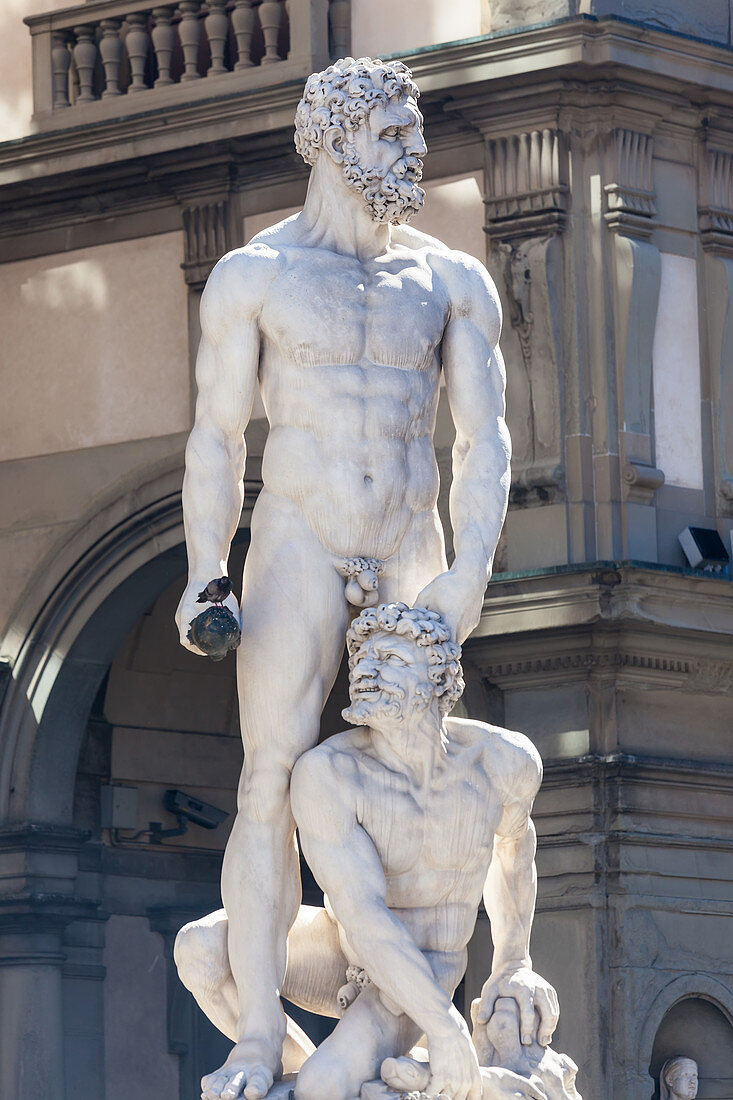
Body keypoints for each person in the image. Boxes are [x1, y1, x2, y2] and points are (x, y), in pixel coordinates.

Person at [174, 54, 511, 1100]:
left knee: (436, 766)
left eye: (417, 132)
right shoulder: (256, 275)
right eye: (393, 132)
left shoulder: (451, 279)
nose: (415, 149)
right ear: (329, 138)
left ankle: (480, 995)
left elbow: (484, 444)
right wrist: (204, 571)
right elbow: (217, 440)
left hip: (408, 534)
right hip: (299, 535)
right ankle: (254, 1036)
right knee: (267, 775)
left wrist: (467, 574)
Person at [175, 605, 559, 1100]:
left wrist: (513, 961)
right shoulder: (330, 773)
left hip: (429, 957)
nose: (369, 670)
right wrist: (446, 1030)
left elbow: (514, 849)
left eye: (391, 658)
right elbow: (360, 913)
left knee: (325, 1088)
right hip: (343, 944)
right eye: (362, 661)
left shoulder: (503, 761)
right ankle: (294, 1072)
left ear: (438, 676)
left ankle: (390, 1078)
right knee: (200, 947)